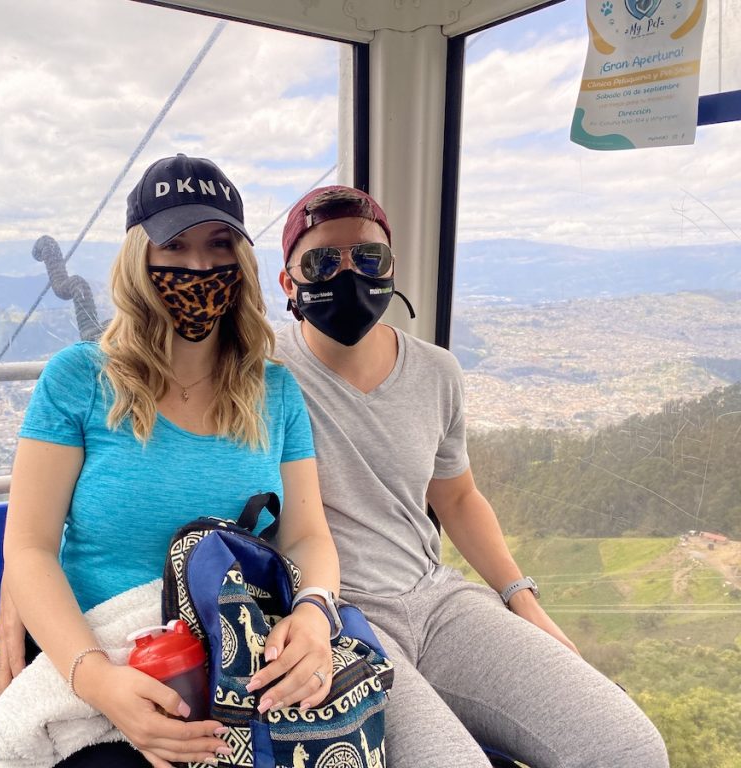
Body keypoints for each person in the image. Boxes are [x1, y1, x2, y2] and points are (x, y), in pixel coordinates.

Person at [273, 185, 669, 767]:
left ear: (391, 269)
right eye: (323, 261)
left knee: (628, 749)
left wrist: (521, 599)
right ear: (290, 283)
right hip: (337, 615)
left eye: (369, 257)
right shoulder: (263, 376)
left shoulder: (436, 372)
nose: (349, 272)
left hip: (436, 600)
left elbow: (456, 498)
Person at [0, 154, 341, 768]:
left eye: (219, 244)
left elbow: (308, 534)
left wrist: (315, 611)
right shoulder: (77, 381)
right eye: (175, 246)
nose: (200, 267)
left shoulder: (275, 391)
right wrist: (100, 682)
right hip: (111, 667)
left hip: (239, 667)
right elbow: (29, 547)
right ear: (138, 256)